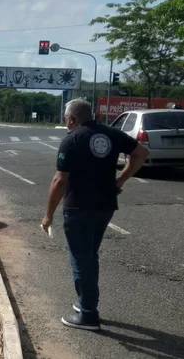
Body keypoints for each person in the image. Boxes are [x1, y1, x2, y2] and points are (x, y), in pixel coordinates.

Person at [41, 99, 149, 331]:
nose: (66, 122)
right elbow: (141, 153)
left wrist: (48, 215)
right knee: (90, 256)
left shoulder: (71, 139)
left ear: (71, 119)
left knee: (81, 259)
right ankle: (85, 303)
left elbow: (59, 181)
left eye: (66, 119)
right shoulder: (111, 133)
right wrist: (120, 180)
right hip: (105, 206)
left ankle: (89, 315)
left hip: (78, 207)